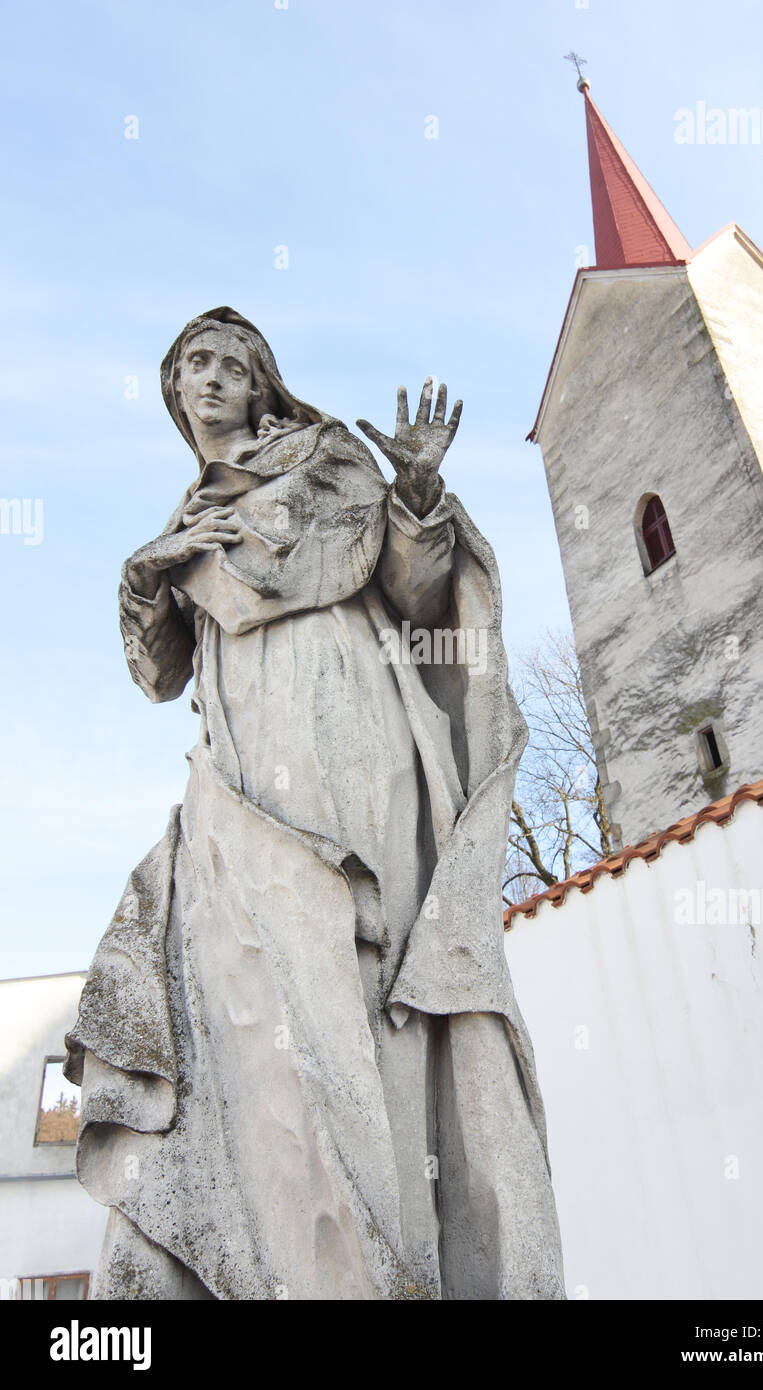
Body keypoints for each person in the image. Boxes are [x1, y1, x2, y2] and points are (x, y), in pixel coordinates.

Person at [65, 307, 565, 1300]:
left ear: (263, 385)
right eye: (191, 366)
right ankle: (293, 1255)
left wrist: (416, 498)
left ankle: (402, 1242)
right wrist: (143, 578)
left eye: (228, 364)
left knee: (359, 962)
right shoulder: (187, 523)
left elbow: (419, 600)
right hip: (238, 771)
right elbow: (161, 675)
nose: (206, 379)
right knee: (243, 1003)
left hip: (348, 724)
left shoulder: (329, 459)